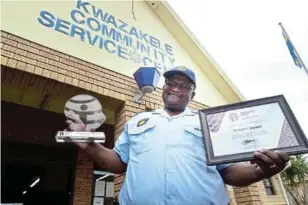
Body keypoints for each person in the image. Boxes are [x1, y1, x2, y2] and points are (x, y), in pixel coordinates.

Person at [65, 66, 290, 205]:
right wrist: (92, 147)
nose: (175, 88)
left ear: (193, 93)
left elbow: (229, 173)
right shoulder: (137, 121)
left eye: (184, 85)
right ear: (164, 88)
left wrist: (262, 170)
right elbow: (119, 163)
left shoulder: (209, 124)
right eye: (171, 83)